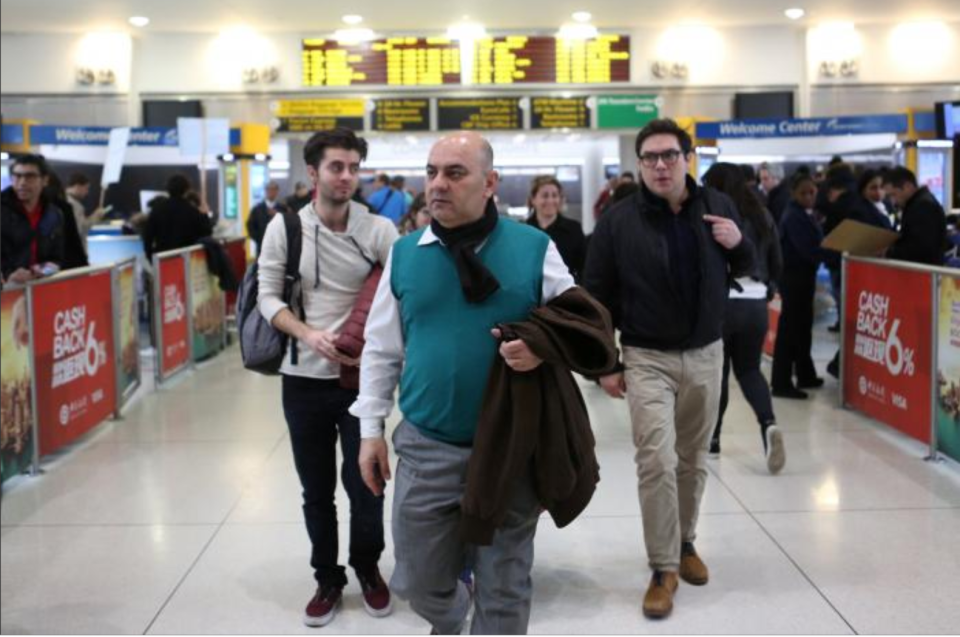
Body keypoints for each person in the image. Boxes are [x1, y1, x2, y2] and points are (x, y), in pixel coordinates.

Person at [352, 131, 576, 634]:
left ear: (490, 183)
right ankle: (451, 617)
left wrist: (543, 346)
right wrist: (370, 431)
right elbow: (382, 347)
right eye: (432, 173)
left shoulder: (534, 248)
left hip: (511, 449)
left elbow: (581, 327)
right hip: (427, 445)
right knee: (419, 581)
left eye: (455, 173)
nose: (438, 185)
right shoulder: (406, 255)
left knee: (505, 587)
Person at [584, 119, 754, 619]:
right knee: (655, 460)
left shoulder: (718, 208)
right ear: (639, 165)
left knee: (693, 458)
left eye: (670, 156)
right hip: (646, 357)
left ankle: (684, 543)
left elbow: (750, 265)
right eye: (651, 158)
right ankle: (662, 566)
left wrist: (738, 243)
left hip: (706, 352)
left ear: (687, 159)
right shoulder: (618, 221)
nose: (660, 165)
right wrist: (607, 364)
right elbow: (597, 296)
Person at [257, 128, 399, 628]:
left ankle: (368, 567)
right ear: (313, 173)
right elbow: (268, 296)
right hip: (302, 379)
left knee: (367, 483)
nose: (347, 176)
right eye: (337, 167)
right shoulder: (286, 228)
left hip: (361, 380)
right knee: (315, 488)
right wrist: (307, 332)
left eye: (354, 167)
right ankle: (327, 576)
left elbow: (401, 290)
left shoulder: (380, 230)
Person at [702, 163, 785, 472]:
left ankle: (713, 439)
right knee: (750, 370)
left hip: (723, 303)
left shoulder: (713, 216)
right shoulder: (763, 214)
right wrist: (769, 287)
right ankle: (768, 425)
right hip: (755, 304)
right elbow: (777, 261)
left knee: (718, 372)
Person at [771, 173, 826, 398]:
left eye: (812, 192)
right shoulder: (793, 216)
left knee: (803, 328)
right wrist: (833, 251)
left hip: (803, 279)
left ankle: (805, 373)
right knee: (790, 330)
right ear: (793, 193)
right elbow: (809, 250)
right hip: (794, 279)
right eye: (804, 192)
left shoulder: (805, 214)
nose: (809, 196)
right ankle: (781, 382)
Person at [1, 154, 67, 284]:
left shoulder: (54, 214)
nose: (22, 182)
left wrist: (45, 270)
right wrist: (8, 276)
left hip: (41, 289)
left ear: (45, 180)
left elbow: (57, 260)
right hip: (6, 293)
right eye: (17, 176)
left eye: (30, 176)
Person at [526, 175, 587, 281]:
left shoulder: (574, 229)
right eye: (545, 196)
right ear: (533, 200)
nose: (550, 200)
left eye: (555, 196)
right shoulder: (524, 230)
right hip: (531, 293)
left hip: (565, 293)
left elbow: (584, 267)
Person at [882, 166, 947, 266]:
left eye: (893, 194)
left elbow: (920, 249)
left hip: (925, 274)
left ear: (907, 186)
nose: (892, 201)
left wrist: (889, 252)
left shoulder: (923, 206)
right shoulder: (917, 203)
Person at [142, 174, 212, 261]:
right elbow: (206, 233)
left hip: (163, 259)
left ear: (167, 189)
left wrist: (150, 257)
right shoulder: (191, 211)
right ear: (186, 190)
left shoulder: (157, 210)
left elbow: (148, 236)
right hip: (186, 260)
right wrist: (205, 215)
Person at [65, 172, 107, 253]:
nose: (87, 192)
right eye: (86, 188)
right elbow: (79, 230)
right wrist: (96, 216)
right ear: (77, 186)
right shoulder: (73, 205)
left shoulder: (62, 199)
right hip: (74, 253)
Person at [247, 180, 290, 255]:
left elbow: (289, 225)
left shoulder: (283, 209)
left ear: (277, 191)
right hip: (262, 247)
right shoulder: (257, 209)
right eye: (269, 189)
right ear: (265, 191)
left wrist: (279, 215)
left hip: (279, 246)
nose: (271, 192)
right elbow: (250, 226)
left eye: (273, 189)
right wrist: (259, 239)